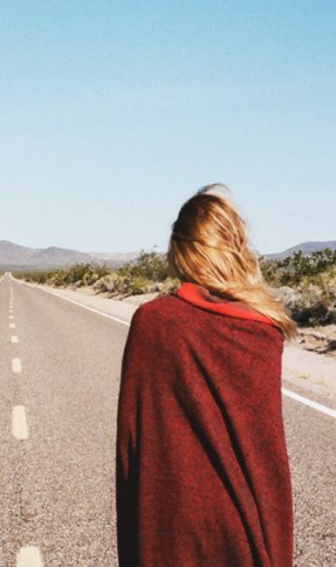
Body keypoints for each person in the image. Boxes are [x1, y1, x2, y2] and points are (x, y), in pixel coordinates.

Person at [116, 185, 295, 567]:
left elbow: (133, 445)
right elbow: (268, 464)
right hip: (244, 538)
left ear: (181, 251)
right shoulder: (264, 332)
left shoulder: (153, 322)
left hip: (170, 533)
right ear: (235, 248)